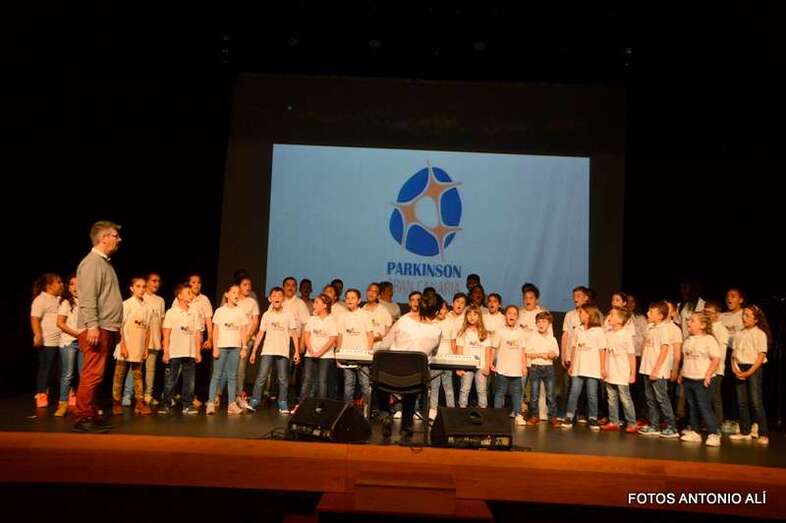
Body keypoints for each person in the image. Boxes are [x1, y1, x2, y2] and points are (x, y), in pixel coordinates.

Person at [73, 221, 123, 433]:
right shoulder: (92, 263)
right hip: (98, 327)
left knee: (98, 375)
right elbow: (87, 297)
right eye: (115, 235)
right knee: (92, 373)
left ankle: (91, 413)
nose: (119, 239)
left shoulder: (105, 263)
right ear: (103, 238)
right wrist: (92, 325)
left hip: (107, 327)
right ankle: (82, 417)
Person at [377, 293, 443, 440]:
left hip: (390, 376)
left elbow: (384, 346)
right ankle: (406, 425)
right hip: (414, 381)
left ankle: (385, 413)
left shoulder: (403, 320)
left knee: (376, 376)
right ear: (437, 312)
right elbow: (432, 354)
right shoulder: (437, 331)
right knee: (412, 381)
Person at [250, 287, 300, 414]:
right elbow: (261, 333)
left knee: (283, 378)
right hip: (268, 350)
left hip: (282, 350)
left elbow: (293, 333)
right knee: (261, 376)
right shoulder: (267, 315)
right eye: (274, 295)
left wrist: (297, 351)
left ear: (283, 299)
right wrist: (254, 351)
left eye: (279, 295)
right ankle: (254, 400)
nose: (277, 297)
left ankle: (282, 402)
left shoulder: (288, 315)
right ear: (270, 299)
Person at [729, 304, 771, 446]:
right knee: (741, 401)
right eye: (743, 315)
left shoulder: (760, 334)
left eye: (747, 315)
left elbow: (761, 356)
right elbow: (734, 354)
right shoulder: (739, 333)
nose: (744, 318)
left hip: (753, 368)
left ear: (756, 319)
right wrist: (735, 369)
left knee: (755, 401)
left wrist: (750, 372)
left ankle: (763, 433)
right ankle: (745, 431)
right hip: (740, 367)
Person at [678, 311, 722, 447]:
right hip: (689, 378)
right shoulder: (688, 340)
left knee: (704, 406)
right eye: (688, 320)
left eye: (692, 321)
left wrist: (708, 374)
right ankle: (695, 432)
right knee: (691, 406)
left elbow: (716, 359)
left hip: (702, 379)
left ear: (702, 325)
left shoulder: (709, 339)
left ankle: (713, 434)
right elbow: (686, 359)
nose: (688, 323)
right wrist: (681, 373)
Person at [159, 283, 203, 415]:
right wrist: (166, 351)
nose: (191, 295)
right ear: (179, 296)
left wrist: (198, 352)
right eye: (188, 293)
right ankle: (166, 404)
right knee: (170, 380)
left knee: (189, 381)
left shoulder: (194, 313)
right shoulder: (171, 312)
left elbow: (196, 334)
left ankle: (187, 405)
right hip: (175, 352)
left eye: (191, 293)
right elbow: (166, 334)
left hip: (189, 352)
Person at [111, 277, 152, 416]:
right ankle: (116, 402)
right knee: (119, 375)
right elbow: (120, 327)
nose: (141, 289)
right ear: (132, 288)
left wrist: (146, 348)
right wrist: (122, 345)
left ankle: (139, 403)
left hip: (138, 346)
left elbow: (147, 329)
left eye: (143, 286)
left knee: (138, 375)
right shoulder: (126, 304)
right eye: (138, 286)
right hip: (126, 345)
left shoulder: (147, 307)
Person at [637, 302, 679, 438]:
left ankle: (672, 426)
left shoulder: (664, 329)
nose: (648, 314)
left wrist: (656, 369)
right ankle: (654, 425)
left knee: (661, 398)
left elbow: (664, 350)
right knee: (650, 399)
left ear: (660, 316)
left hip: (658, 370)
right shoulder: (650, 327)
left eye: (651, 312)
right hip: (646, 368)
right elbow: (646, 345)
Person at [561, 304, 606, 430]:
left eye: (581, 313)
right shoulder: (578, 330)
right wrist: (572, 365)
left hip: (593, 368)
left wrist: (602, 368)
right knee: (574, 392)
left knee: (592, 394)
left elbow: (602, 350)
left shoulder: (598, 331)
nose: (579, 315)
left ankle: (593, 418)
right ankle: (569, 416)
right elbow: (575, 348)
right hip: (578, 367)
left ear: (589, 315)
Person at [207, 284, 249, 415]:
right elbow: (216, 330)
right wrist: (215, 347)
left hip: (235, 347)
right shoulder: (220, 311)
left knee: (232, 376)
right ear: (227, 294)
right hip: (222, 346)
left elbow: (243, 331)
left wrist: (244, 347)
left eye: (238, 293)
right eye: (234, 292)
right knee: (217, 375)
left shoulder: (240, 312)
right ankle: (210, 402)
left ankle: (231, 404)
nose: (236, 295)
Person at [600, 307, 637, 433]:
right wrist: (603, 368)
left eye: (612, 315)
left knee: (625, 398)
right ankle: (614, 421)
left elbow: (631, 356)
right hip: (610, 370)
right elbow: (604, 352)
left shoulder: (626, 335)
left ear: (620, 320)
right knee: (611, 397)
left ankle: (632, 422)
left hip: (622, 371)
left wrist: (632, 373)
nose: (609, 317)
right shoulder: (608, 334)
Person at [30, 273, 63, 409]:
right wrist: (38, 334)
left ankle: (66, 395)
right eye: (58, 282)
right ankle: (41, 393)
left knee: (63, 369)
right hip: (48, 341)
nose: (62, 284)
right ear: (49, 286)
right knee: (46, 368)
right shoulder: (40, 299)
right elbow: (35, 318)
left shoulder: (61, 299)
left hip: (62, 340)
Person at [492, 305, 527, 426]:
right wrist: (491, 362)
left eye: (514, 314)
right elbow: (493, 348)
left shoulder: (521, 332)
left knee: (517, 393)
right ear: (505, 316)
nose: (511, 316)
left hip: (516, 369)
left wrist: (524, 366)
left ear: (517, 317)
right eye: (509, 313)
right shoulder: (499, 331)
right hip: (502, 367)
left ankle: (518, 414)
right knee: (500, 392)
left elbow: (523, 350)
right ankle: (497, 415)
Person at [299, 293, 338, 402]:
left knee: (322, 381)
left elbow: (332, 338)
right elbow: (306, 335)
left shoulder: (332, 320)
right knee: (307, 379)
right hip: (310, 354)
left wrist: (320, 352)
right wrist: (311, 350)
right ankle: (302, 404)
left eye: (316, 302)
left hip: (325, 356)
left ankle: (320, 405)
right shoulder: (312, 319)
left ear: (325, 305)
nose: (314, 305)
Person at [524, 311, 559, 426]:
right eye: (538, 322)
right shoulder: (532, 337)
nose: (541, 324)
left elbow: (555, 354)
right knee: (534, 394)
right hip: (535, 367)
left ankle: (553, 417)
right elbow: (528, 353)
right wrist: (541, 354)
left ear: (549, 324)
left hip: (548, 368)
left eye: (544, 321)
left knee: (550, 394)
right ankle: (535, 416)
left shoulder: (552, 339)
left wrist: (549, 355)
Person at [55, 275, 83, 416]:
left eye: (78, 284)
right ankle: (62, 404)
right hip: (69, 342)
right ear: (69, 287)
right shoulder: (66, 302)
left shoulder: (86, 302)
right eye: (72, 284)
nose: (75, 287)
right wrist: (76, 334)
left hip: (84, 342)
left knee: (84, 375)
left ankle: (83, 405)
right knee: (68, 374)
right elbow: (60, 323)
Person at [456, 305, 491, 408]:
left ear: (479, 316)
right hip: (466, 366)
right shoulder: (462, 333)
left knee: (481, 390)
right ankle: (462, 411)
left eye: (475, 314)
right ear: (466, 316)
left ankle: (483, 411)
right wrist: (459, 367)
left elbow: (487, 351)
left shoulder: (484, 333)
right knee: (464, 389)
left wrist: (487, 366)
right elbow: (459, 350)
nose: (472, 317)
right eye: (469, 314)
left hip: (481, 366)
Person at [429, 299, 456, 419]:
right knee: (434, 386)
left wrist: (455, 359)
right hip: (435, 359)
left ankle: (451, 409)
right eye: (439, 308)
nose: (441, 311)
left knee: (448, 386)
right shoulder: (431, 322)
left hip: (447, 359)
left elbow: (453, 342)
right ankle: (433, 409)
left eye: (444, 308)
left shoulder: (451, 323)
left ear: (447, 310)